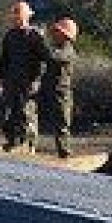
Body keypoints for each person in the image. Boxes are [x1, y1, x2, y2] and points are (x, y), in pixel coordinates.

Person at [0, 0, 50, 153]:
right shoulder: (10, 35)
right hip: (12, 80)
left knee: (27, 112)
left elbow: (45, 58)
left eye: (19, 17)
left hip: (29, 81)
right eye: (15, 17)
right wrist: (3, 77)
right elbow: (4, 59)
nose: (17, 20)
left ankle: (29, 144)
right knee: (11, 112)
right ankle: (13, 141)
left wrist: (37, 80)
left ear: (27, 17)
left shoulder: (35, 36)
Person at [41, 16, 80, 158]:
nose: (54, 34)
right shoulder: (58, 48)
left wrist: (41, 41)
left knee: (62, 124)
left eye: (57, 32)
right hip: (50, 90)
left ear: (65, 35)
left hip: (61, 93)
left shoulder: (68, 51)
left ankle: (65, 153)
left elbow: (51, 56)